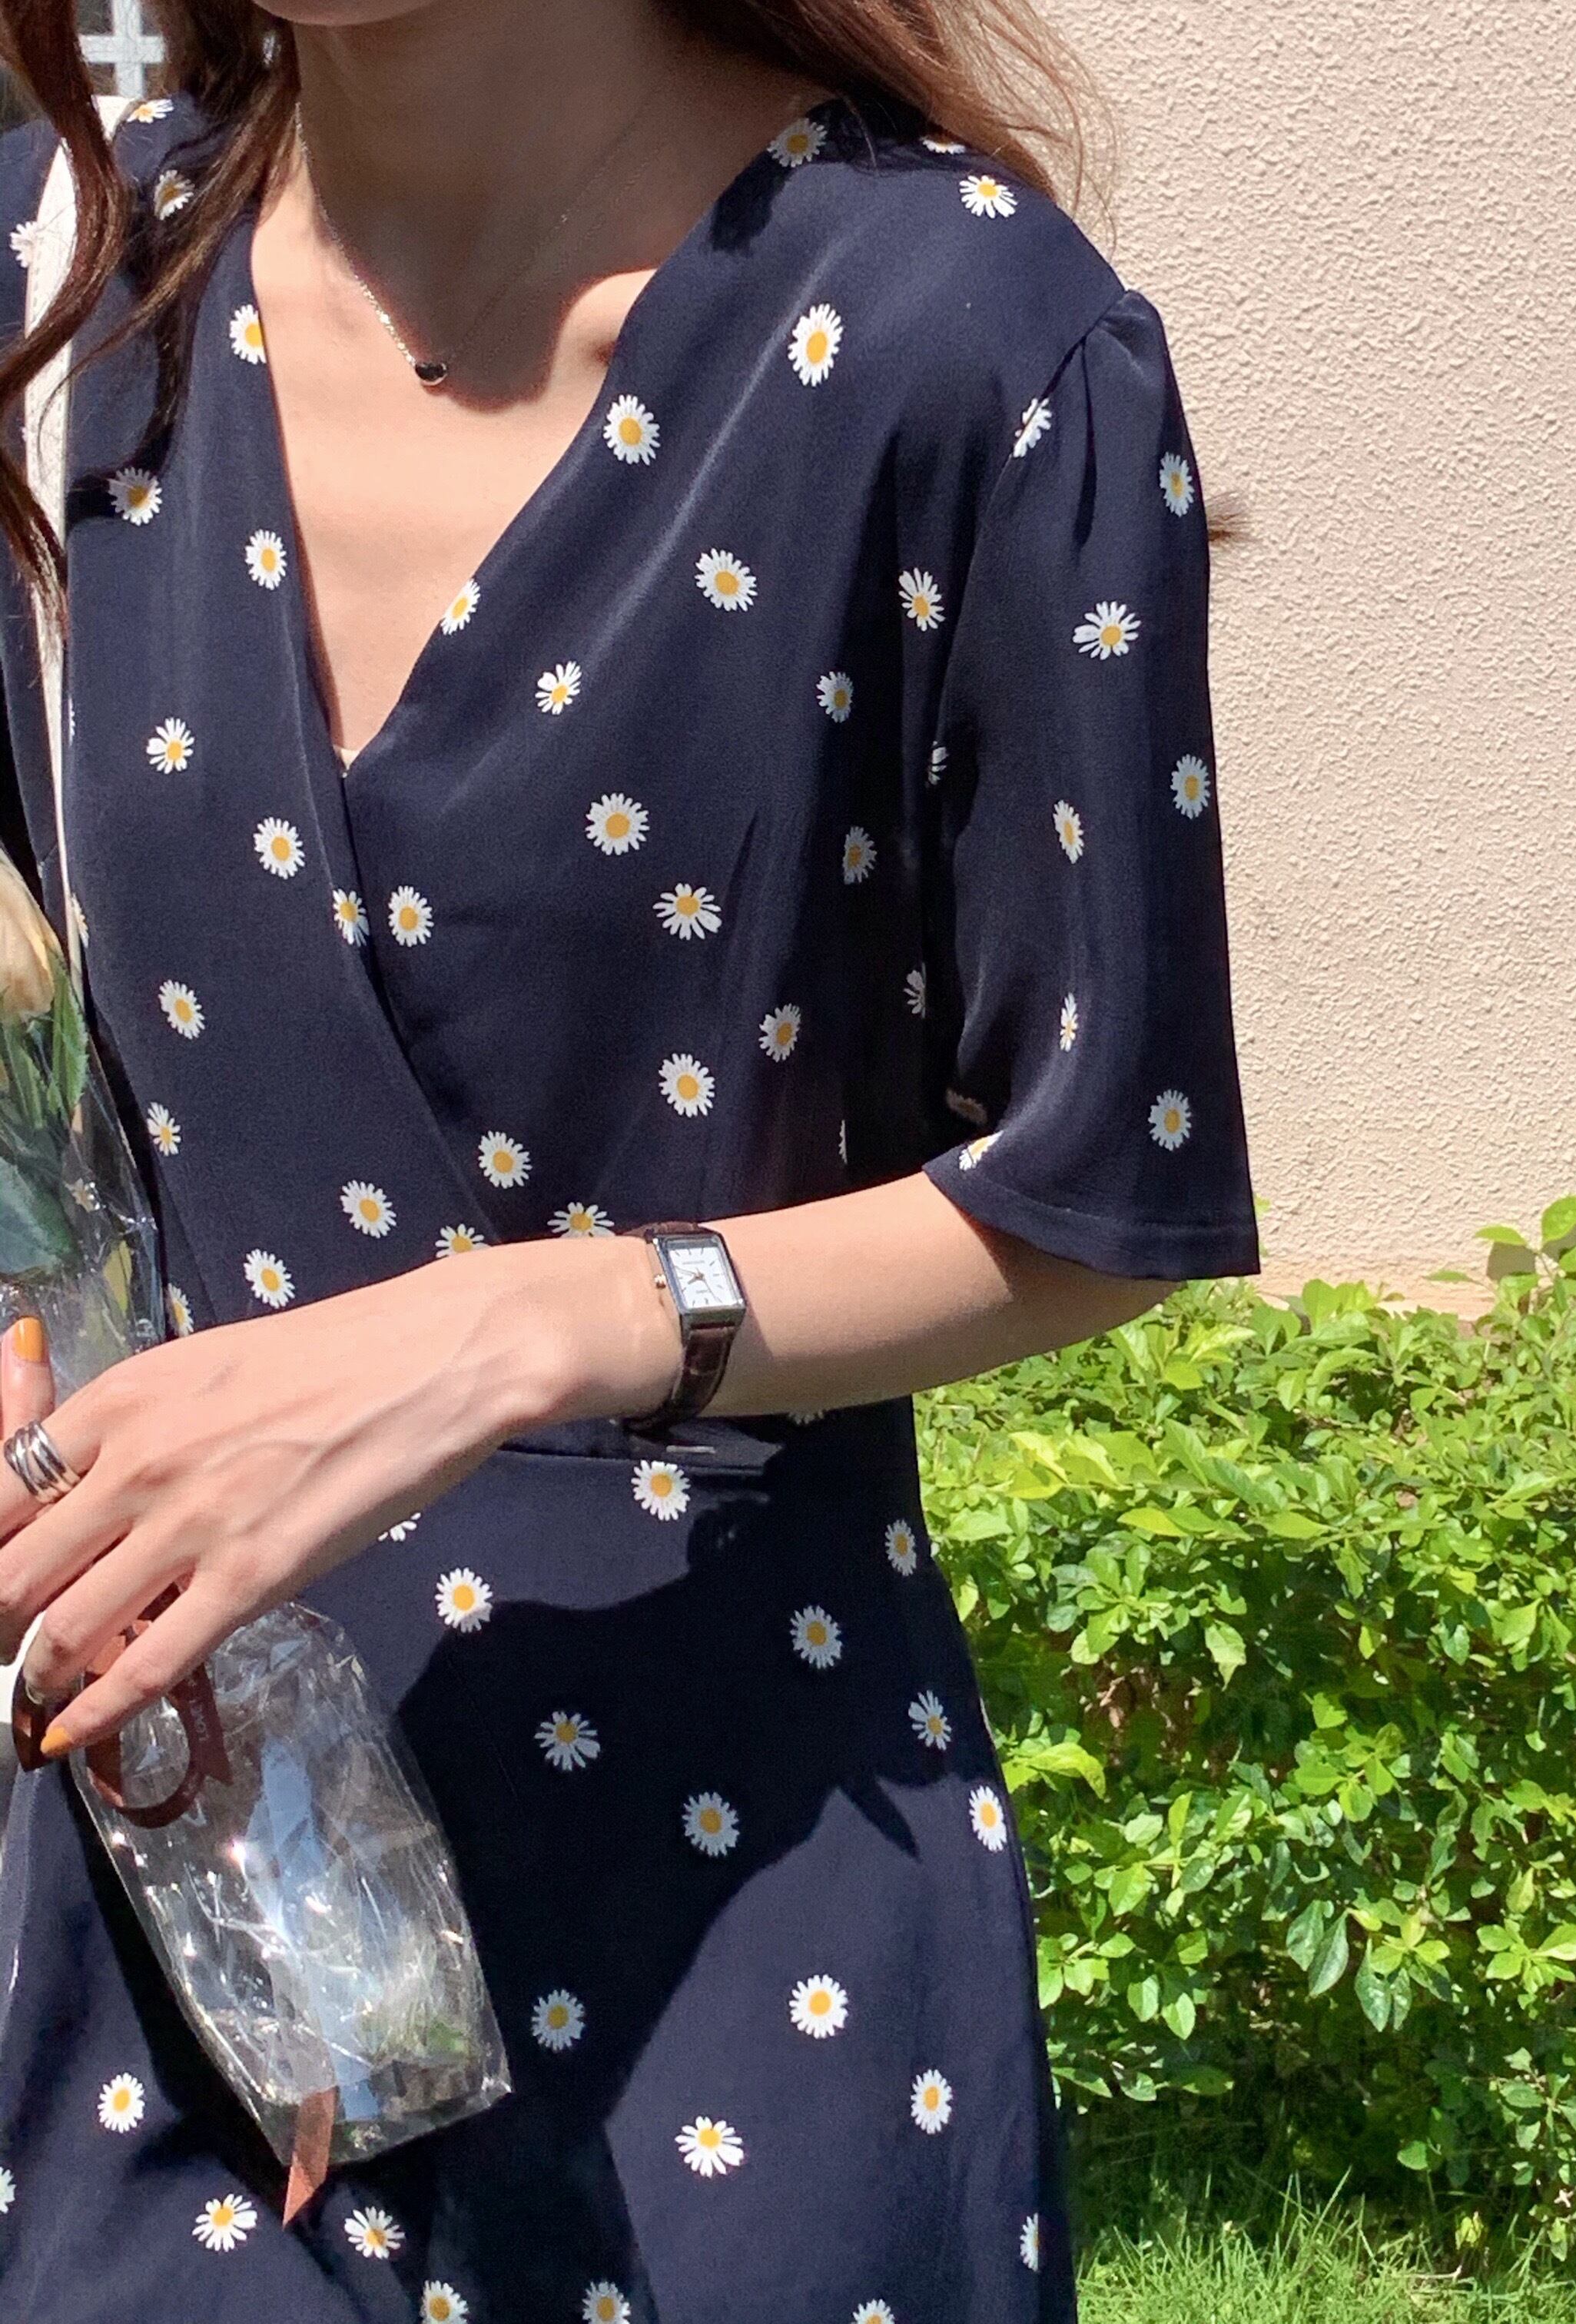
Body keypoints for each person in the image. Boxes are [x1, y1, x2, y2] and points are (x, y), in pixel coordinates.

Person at [0, 0, 1259, 2312]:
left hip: (737, 1887)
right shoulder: (70, 289)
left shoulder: (962, 343)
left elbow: (1099, 1188)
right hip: (172, 1863)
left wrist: (520, 1330)